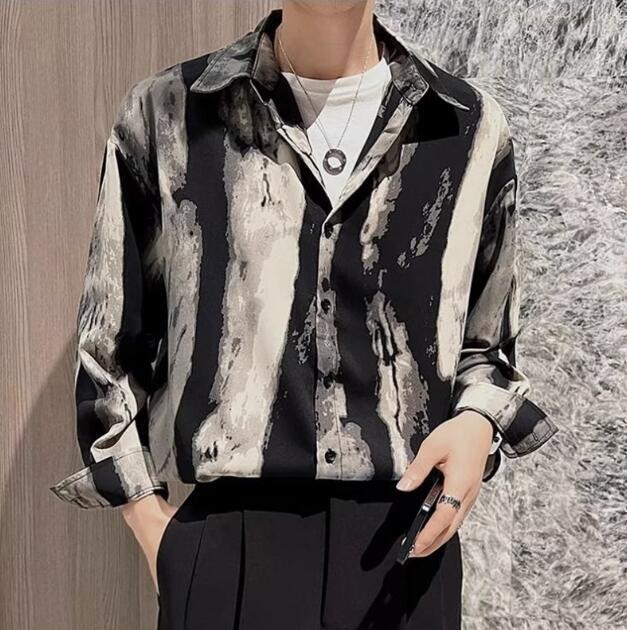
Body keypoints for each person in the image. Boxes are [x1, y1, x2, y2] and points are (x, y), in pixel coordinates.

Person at [50, 1, 559, 629]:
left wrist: (478, 422)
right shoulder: (169, 114)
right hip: (231, 552)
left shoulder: (466, 127)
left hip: (405, 551)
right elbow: (110, 348)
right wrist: (160, 535)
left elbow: (488, 342)